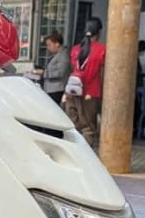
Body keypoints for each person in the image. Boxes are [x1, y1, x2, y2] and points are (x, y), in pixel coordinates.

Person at [63, 17, 106, 148]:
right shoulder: (102, 50)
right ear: (99, 32)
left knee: (73, 127)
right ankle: (85, 155)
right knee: (88, 128)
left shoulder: (75, 49)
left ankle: (72, 152)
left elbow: (72, 69)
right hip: (91, 93)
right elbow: (103, 74)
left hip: (72, 91)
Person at [39, 30, 70, 106]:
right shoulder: (55, 55)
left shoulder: (63, 55)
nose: (48, 48)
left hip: (56, 89)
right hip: (50, 89)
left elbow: (61, 72)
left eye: (49, 45)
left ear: (57, 44)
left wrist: (44, 73)